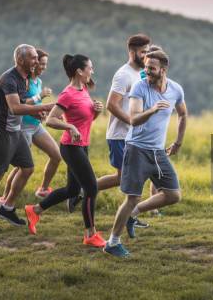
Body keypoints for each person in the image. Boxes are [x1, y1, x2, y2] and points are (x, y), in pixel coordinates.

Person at [103, 50, 187, 258]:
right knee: (132, 197)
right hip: (137, 149)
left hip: (158, 152)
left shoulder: (175, 89)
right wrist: (153, 110)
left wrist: (178, 141)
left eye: (152, 68)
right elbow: (133, 119)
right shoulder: (140, 87)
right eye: (146, 66)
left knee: (173, 194)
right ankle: (112, 242)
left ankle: (134, 214)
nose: (147, 71)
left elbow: (183, 114)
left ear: (163, 70)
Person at [24, 54, 107, 248]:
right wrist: (70, 128)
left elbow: (84, 121)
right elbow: (51, 119)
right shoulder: (68, 94)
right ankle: (90, 234)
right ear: (80, 71)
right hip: (71, 147)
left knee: (72, 189)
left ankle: (35, 210)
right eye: (90, 68)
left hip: (81, 145)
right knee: (91, 188)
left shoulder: (84, 89)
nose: (92, 71)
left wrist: (96, 111)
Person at [0, 45, 54, 232]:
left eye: (36, 58)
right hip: (1, 130)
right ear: (20, 60)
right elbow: (15, 108)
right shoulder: (9, 79)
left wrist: (36, 114)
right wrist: (46, 107)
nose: (37, 61)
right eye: (33, 58)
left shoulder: (25, 78)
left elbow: (24, 103)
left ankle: (6, 208)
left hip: (16, 130)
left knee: (27, 168)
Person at [96, 34, 151, 226]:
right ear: (132, 52)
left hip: (134, 135)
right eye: (143, 52)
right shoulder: (123, 74)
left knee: (127, 177)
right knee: (126, 178)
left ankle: (84, 190)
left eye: (147, 51)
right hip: (120, 136)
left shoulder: (142, 73)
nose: (146, 56)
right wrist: (132, 120)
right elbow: (112, 105)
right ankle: (85, 190)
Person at [0, 48, 62, 205]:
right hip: (23, 127)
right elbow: (22, 104)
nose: (44, 67)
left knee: (56, 155)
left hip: (36, 126)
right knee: (22, 166)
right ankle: (4, 199)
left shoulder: (38, 82)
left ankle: (43, 189)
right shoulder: (24, 82)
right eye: (42, 63)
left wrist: (44, 113)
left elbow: (36, 106)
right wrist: (42, 101)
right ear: (33, 63)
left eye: (46, 64)